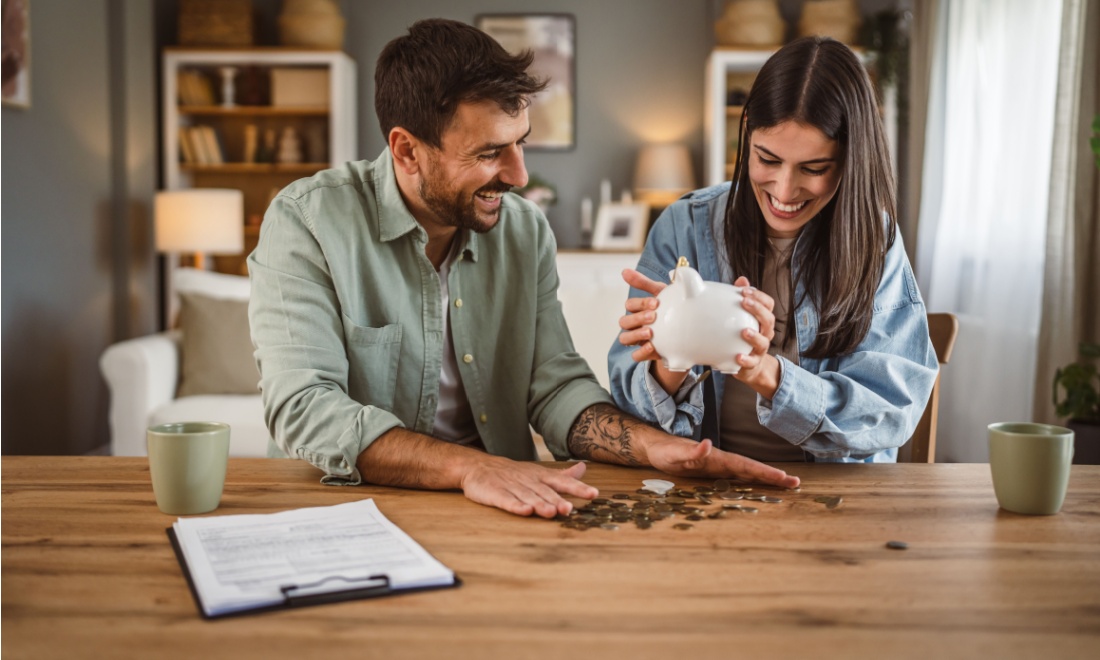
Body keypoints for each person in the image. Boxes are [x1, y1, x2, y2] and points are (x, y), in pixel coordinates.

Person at [248, 19, 799, 520]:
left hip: (506, 506)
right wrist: (470, 467)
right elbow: (304, 407)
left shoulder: (523, 230)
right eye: (490, 153)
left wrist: (652, 446)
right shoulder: (307, 223)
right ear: (407, 150)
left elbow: (554, 386)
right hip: (343, 510)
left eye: (521, 144)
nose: (518, 174)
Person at [610, 36, 939, 463]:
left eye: (814, 168)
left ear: (851, 162)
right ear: (746, 139)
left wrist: (766, 372)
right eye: (767, 159)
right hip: (708, 483)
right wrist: (671, 355)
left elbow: (891, 411)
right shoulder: (684, 225)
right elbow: (626, 406)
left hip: (837, 497)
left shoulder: (874, 242)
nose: (784, 191)